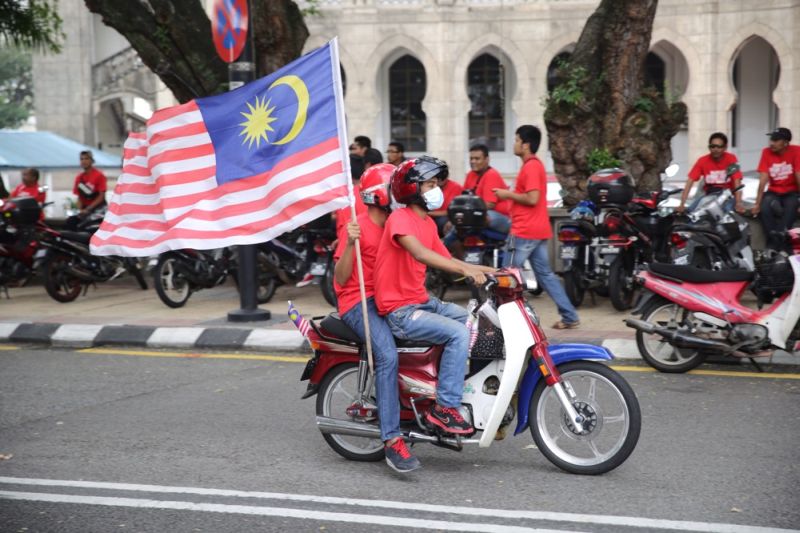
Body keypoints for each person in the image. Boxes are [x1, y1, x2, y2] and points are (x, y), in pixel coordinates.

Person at [375, 156, 493, 436]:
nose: (436, 189)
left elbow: (448, 261)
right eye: (430, 184)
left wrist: (494, 271)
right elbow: (421, 253)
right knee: (458, 334)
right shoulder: (399, 219)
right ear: (413, 188)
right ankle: (445, 408)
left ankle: (455, 384)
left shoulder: (427, 224)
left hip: (422, 302)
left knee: (474, 322)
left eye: (436, 183)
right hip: (400, 310)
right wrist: (466, 268)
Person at [334, 163, 420, 473]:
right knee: (387, 356)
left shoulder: (395, 224)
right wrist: (348, 243)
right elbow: (341, 279)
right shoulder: (357, 226)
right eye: (394, 189)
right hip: (358, 301)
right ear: (380, 195)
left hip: (391, 297)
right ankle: (392, 441)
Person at [495, 125, 580, 330]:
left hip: (525, 231)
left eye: (516, 140)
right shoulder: (532, 166)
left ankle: (502, 322)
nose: (514, 144)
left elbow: (532, 198)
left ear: (526, 145)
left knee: (505, 276)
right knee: (546, 276)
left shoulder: (532, 166)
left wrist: (507, 195)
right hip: (535, 230)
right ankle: (569, 316)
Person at [753, 127, 800, 251]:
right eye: (771, 139)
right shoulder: (766, 152)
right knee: (764, 207)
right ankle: (780, 243)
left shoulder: (796, 151)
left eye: (776, 140)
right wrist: (757, 203)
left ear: (786, 142)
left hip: (791, 191)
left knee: (791, 207)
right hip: (773, 191)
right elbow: (763, 179)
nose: (771, 143)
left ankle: (774, 244)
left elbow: (798, 176)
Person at [677, 132, 744, 214]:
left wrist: (738, 202)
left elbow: (737, 180)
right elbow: (690, 181)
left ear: (725, 147)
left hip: (727, 195)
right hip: (709, 195)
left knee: (728, 212)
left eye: (719, 147)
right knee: (691, 212)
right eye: (712, 146)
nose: (715, 149)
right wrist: (682, 204)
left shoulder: (731, 158)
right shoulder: (702, 160)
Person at [462, 144, 511, 233]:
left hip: (502, 217)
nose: (473, 161)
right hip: (482, 213)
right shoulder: (470, 174)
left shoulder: (491, 175)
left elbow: (489, 205)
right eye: (471, 158)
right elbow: (463, 198)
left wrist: (467, 210)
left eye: (477, 159)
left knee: (477, 216)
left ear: (487, 159)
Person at [427, 167, 463, 236]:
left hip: (446, 217)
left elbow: (451, 212)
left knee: (441, 221)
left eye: (441, 179)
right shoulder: (428, 186)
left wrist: (428, 213)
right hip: (429, 215)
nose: (438, 182)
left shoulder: (456, 187)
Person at [73, 150, 107, 215]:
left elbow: (101, 196)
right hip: (85, 209)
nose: (84, 161)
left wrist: (88, 209)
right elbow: (79, 197)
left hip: (98, 210)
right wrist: (80, 210)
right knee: (71, 221)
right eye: (81, 159)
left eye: (86, 158)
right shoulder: (79, 178)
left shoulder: (99, 175)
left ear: (91, 160)